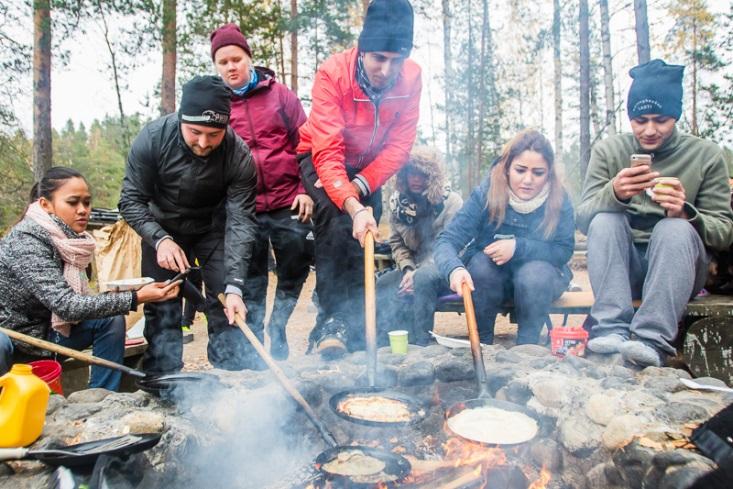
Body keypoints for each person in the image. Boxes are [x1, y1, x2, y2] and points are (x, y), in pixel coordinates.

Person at [577, 59, 733, 367]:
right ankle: (611, 330)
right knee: (606, 219)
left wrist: (687, 213)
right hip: (624, 270)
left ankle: (652, 339)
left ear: (675, 115)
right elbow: (583, 219)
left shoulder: (705, 155)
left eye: (660, 120)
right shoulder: (609, 151)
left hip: (679, 269)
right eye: (640, 120)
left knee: (672, 228)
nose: (649, 130)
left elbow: (724, 231)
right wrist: (614, 193)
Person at [297, 0, 422, 357]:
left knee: (363, 237)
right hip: (320, 155)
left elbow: (399, 146)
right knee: (337, 224)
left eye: (396, 60)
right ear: (363, 48)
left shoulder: (412, 77)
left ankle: (352, 325)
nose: (387, 69)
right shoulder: (333, 73)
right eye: (379, 58)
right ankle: (331, 324)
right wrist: (351, 204)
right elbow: (327, 150)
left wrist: (361, 188)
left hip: (370, 169)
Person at [119, 75, 259, 374]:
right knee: (163, 304)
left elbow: (241, 221)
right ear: (182, 118)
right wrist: (159, 239)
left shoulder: (239, 155)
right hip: (163, 228)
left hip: (213, 229)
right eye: (195, 132)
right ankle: (164, 379)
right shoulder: (154, 139)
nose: (203, 143)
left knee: (228, 302)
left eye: (213, 134)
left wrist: (235, 285)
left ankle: (231, 375)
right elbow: (130, 201)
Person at [0, 167, 179, 390]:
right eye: (73, 202)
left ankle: (102, 397)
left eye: (86, 202)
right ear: (45, 205)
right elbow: (67, 306)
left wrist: (129, 297)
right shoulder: (27, 241)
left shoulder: (73, 242)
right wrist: (137, 297)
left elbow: (78, 304)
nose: (83, 210)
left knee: (111, 320)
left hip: (50, 334)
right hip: (16, 341)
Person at [210, 23, 311, 361]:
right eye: (223, 62)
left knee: (296, 261)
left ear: (249, 58)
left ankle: (278, 325)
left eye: (236, 58)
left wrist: (304, 189)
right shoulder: (217, 105)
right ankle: (256, 358)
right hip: (244, 207)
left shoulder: (280, 95)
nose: (231, 67)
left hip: (288, 200)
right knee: (249, 277)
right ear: (216, 67)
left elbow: (305, 145)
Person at [428, 130, 575, 345]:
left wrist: (518, 247)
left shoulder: (559, 198)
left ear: (549, 174)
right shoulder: (486, 192)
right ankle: (482, 346)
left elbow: (563, 250)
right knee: (480, 265)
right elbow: (446, 241)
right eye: (520, 170)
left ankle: (527, 349)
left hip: (540, 284)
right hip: (489, 284)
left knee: (534, 274)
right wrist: (455, 269)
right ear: (507, 168)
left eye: (538, 173)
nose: (528, 180)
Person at [376, 146, 462, 345]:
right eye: (410, 173)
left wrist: (419, 272)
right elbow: (396, 242)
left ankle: (420, 343)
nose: (415, 179)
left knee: (423, 278)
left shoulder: (451, 202)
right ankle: (384, 343)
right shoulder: (397, 204)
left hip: (444, 267)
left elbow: (453, 244)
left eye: (421, 174)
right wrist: (407, 269)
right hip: (412, 266)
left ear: (433, 177)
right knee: (384, 284)